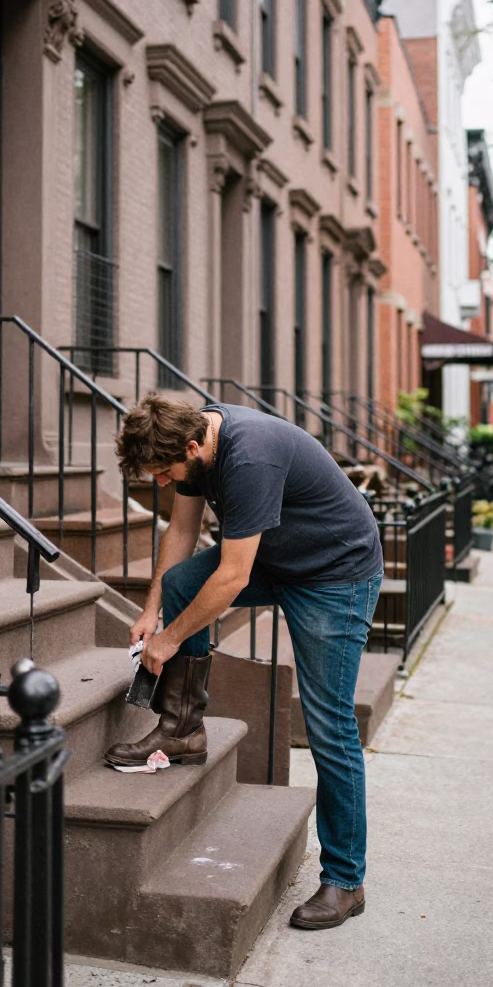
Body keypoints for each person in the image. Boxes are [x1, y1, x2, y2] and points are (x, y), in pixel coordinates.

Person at [106, 395, 384, 931]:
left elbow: (232, 578)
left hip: (336, 573)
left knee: (329, 725)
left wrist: (168, 641)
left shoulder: (249, 455)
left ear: (193, 446)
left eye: (165, 472)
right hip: (277, 557)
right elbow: (183, 534)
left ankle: (346, 881)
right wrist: (151, 610)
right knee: (185, 583)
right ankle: (182, 730)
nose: (162, 482)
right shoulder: (190, 443)